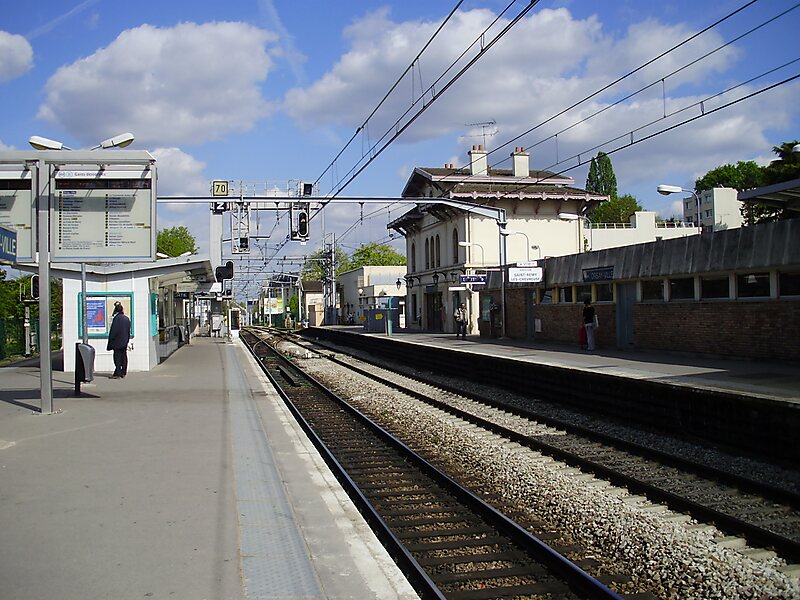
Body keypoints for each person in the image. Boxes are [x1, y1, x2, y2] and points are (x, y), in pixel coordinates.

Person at [107, 302, 131, 379]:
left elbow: (113, 331)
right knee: (124, 356)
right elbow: (128, 331)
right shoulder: (126, 319)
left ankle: (118, 372)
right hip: (124, 341)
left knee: (117, 357)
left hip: (117, 342)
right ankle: (123, 371)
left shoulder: (116, 319)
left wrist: (111, 341)